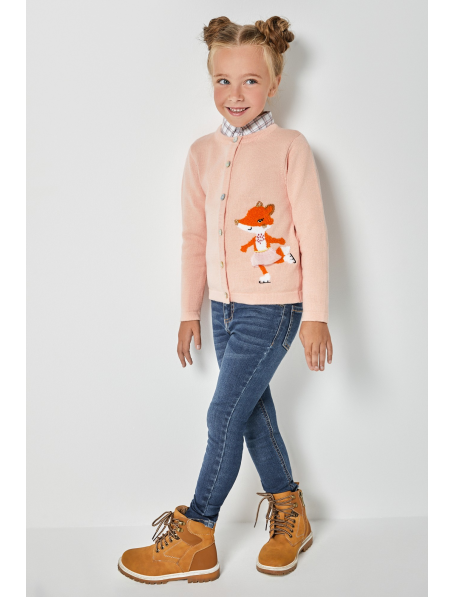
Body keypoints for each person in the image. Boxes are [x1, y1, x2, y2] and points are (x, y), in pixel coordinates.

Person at [118, 15, 332, 585]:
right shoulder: (200, 153)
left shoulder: (290, 147)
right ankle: (292, 515)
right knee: (251, 414)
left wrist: (316, 314)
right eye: (223, 81)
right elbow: (193, 238)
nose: (236, 94)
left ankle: (196, 535)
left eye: (250, 81)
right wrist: (189, 311)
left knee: (222, 414)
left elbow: (313, 233)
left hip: (276, 307)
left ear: (275, 81)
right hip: (223, 309)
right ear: (210, 80)